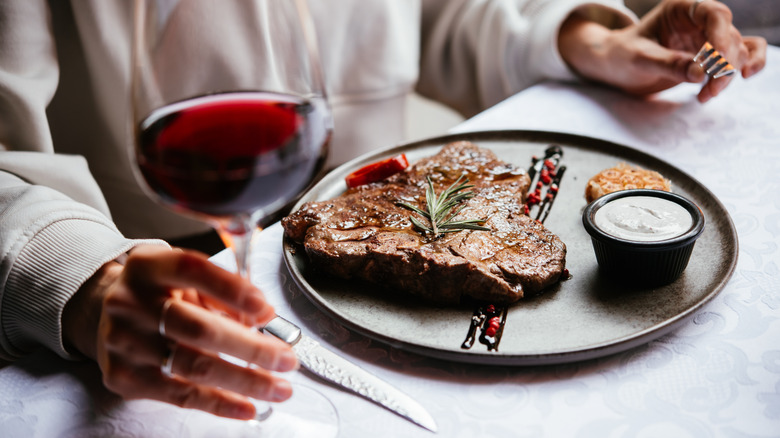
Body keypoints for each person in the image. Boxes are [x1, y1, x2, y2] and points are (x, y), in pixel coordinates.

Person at [0, 0, 766, 422]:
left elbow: (438, 14)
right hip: (150, 257)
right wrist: (79, 275)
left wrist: (578, 37)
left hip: (390, 204)